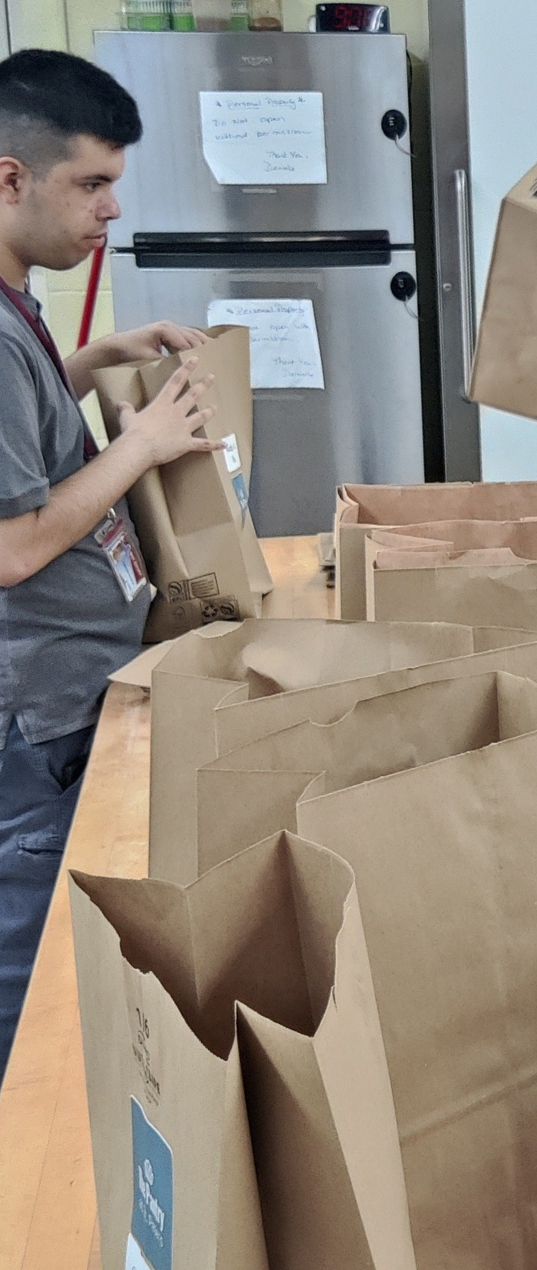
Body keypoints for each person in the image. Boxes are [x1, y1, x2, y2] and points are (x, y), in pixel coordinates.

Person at [0, 49, 217, 1075]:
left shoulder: (18, 301)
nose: (111, 211)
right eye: (90, 185)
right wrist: (143, 443)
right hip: (36, 722)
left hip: (68, 694)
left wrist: (104, 356)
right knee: (29, 977)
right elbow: (13, 545)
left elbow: (32, 435)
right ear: (10, 177)